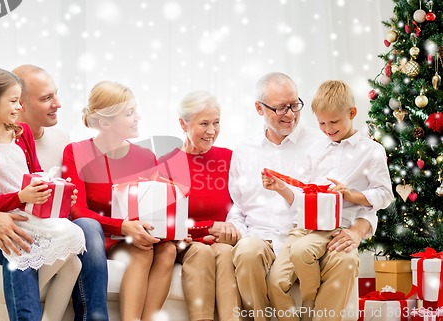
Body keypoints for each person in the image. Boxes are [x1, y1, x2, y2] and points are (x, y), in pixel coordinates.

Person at [0, 64, 110, 321]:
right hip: (11, 224)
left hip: (42, 220)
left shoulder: (51, 137)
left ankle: (94, 318)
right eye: (46, 98)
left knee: (84, 231)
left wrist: (63, 196)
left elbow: (43, 177)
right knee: (17, 248)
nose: (58, 104)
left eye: (56, 94)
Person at [226, 72, 377, 321]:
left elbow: (359, 197)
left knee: (346, 260)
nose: (291, 114)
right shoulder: (243, 152)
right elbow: (238, 207)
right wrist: (234, 228)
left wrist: (357, 231)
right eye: (281, 108)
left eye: (295, 104)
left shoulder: (326, 139)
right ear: (259, 109)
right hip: (261, 236)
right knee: (247, 252)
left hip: (314, 235)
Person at [261, 80, 394, 321]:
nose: (327, 129)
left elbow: (384, 194)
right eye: (322, 123)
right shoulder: (316, 149)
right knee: (275, 281)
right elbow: (302, 198)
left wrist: (350, 195)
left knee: (342, 262)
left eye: (334, 122)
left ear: (352, 113)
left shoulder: (371, 151)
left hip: (338, 228)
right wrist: (282, 189)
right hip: (305, 227)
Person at [62, 80, 177, 321]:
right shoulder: (76, 152)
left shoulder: (146, 156)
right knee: (143, 251)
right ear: (105, 122)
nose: (138, 118)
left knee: (167, 250)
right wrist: (123, 226)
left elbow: (157, 206)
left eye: (135, 110)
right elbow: (77, 211)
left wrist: (172, 223)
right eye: (129, 113)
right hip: (99, 238)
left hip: (134, 235)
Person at [158, 91, 241, 321]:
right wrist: (206, 228)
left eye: (216, 122)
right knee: (202, 252)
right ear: (183, 124)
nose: (212, 131)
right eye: (204, 123)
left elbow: (243, 205)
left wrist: (231, 227)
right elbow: (163, 220)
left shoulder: (229, 158)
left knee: (225, 253)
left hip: (222, 240)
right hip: (186, 243)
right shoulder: (166, 164)